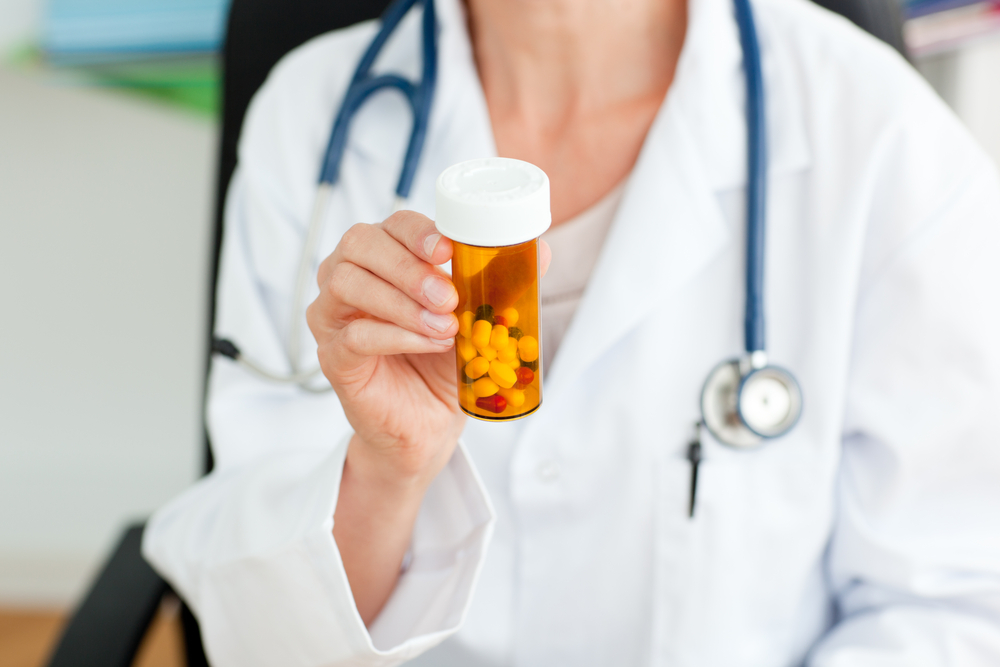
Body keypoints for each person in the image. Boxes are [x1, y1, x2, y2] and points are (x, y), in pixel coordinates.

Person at [142, 0, 1000, 664]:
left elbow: (947, 607)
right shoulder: (315, 115)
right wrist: (387, 472)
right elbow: (265, 632)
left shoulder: (884, 139)